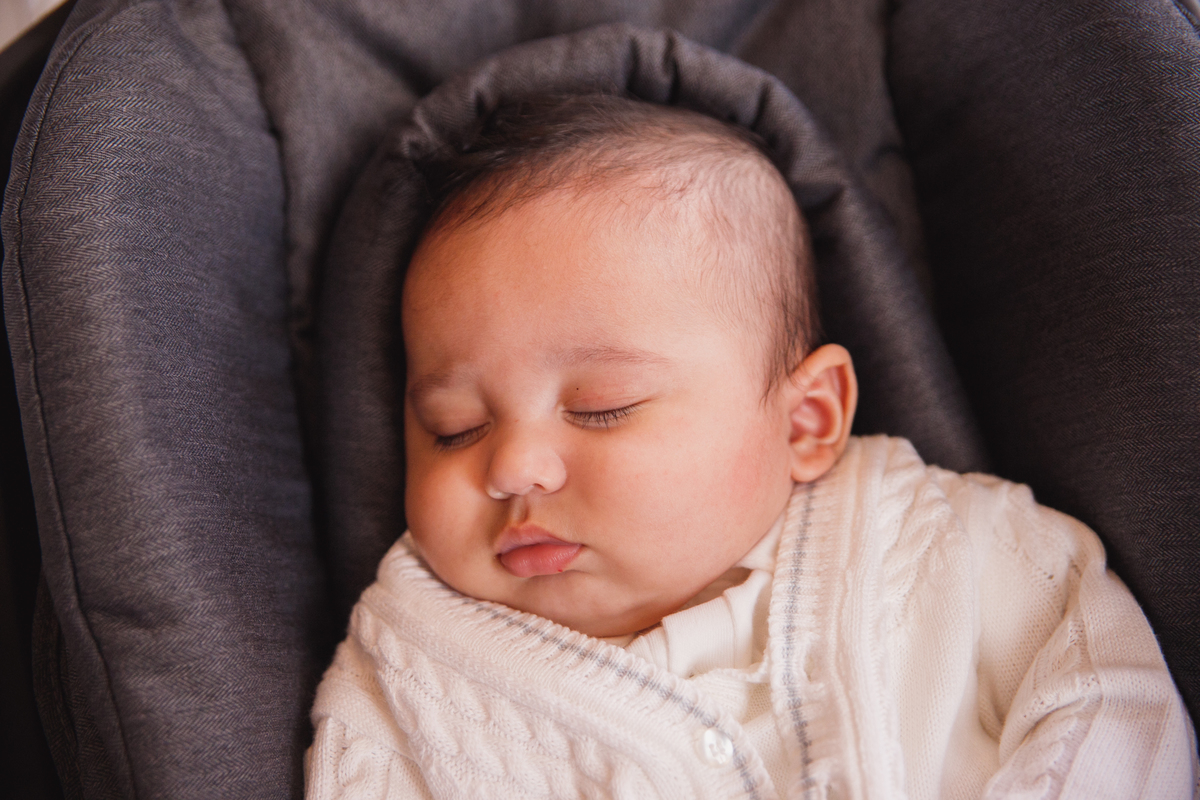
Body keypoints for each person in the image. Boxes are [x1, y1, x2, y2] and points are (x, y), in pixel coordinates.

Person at [306, 95, 1197, 799]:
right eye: (452, 427)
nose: (508, 468)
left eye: (602, 407)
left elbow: (1109, 697)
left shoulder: (948, 544)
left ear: (804, 421)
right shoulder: (410, 675)